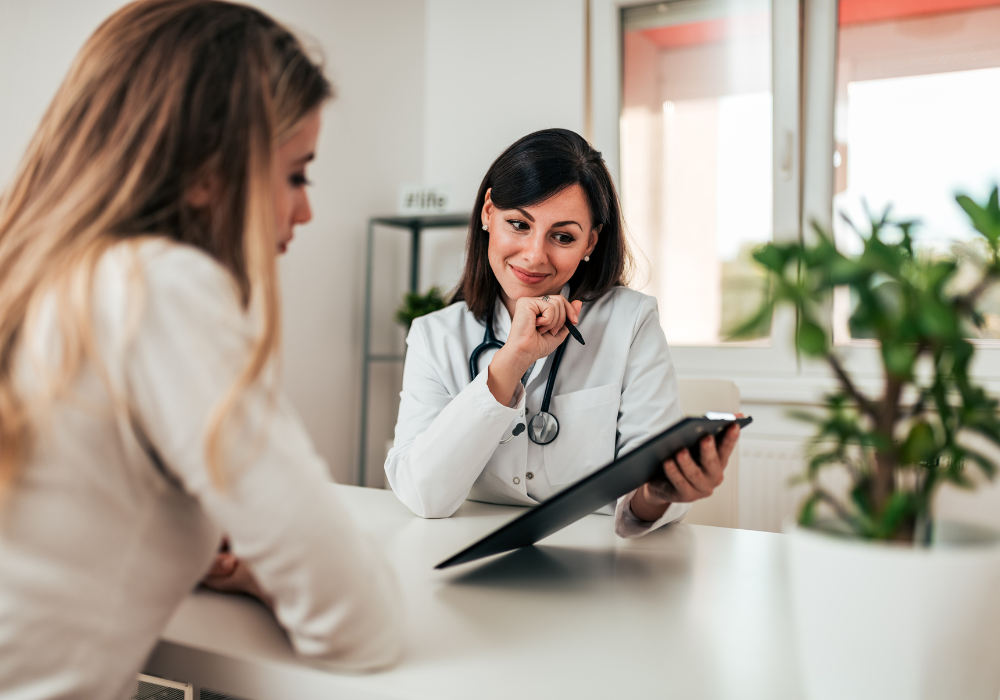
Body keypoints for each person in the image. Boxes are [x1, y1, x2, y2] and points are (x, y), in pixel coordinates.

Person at [0, 2, 402, 697]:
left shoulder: (37, 278)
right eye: (297, 174)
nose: (304, 210)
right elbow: (356, 621)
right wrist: (257, 565)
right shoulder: (157, 286)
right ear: (209, 171)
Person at [385, 128, 740, 536]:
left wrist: (660, 493)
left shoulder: (631, 321)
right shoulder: (435, 336)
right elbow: (423, 496)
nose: (535, 255)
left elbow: (642, 490)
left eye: (563, 236)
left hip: (599, 564)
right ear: (487, 213)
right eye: (518, 224)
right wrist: (510, 362)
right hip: (465, 551)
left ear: (591, 240)